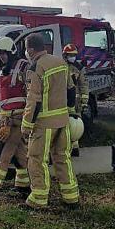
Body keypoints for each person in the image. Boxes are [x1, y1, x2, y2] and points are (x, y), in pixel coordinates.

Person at [21, 33, 80, 209]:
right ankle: (71, 198)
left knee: (37, 160)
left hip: (44, 124)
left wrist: (26, 125)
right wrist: (70, 113)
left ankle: (38, 199)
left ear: (31, 49)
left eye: (26, 48)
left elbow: (34, 101)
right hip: (63, 121)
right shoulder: (60, 63)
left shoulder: (35, 67)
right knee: (63, 158)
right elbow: (71, 92)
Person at [0, 36, 30, 197]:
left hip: (16, 120)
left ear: (11, 52)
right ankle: (24, 186)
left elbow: (32, 94)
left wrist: (27, 117)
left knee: (2, 154)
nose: (1, 57)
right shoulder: (3, 72)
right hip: (5, 121)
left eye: (3, 53)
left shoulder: (24, 67)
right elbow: (1, 98)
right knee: (20, 156)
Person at [63, 43, 88, 157]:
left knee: (75, 124)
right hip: (63, 99)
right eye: (70, 55)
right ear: (65, 55)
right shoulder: (61, 66)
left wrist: (84, 101)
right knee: (65, 124)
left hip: (76, 100)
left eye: (74, 55)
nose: (72, 57)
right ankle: (68, 147)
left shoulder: (79, 68)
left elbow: (83, 84)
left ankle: (75, 148)